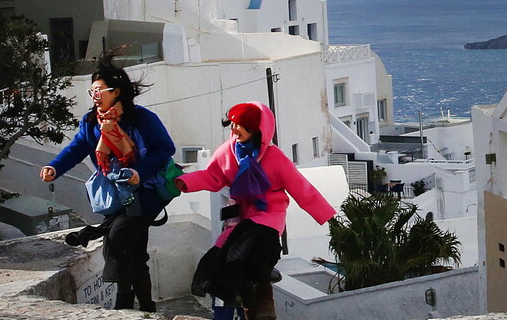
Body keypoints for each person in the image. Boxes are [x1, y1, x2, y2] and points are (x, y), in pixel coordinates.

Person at [177, 101, 334, 320]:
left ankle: (263, 299)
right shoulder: (228, 152)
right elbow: (212, 176)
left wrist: (328, 216)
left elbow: (301, 188)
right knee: (221, 259)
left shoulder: (274, 157)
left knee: (253, 246)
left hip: (269, 216)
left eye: (240, 125)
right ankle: (242, 309)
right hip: (240, 217)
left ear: (256, 129)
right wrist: (184, 181)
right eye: (232, 125)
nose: (234, 130)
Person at [40, 59, 175, 312]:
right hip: (116, 192)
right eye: (92, 92)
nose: (95, 97)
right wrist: (55, 168)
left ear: (117, 92)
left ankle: (124, 300)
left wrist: (139, 171)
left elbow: (165, 149)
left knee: (119, 235)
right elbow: (77, 148)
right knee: (134, 250)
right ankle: (146, 307)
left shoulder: (142, 119)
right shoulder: (92, 122)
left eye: (99, 91)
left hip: (145, 191)